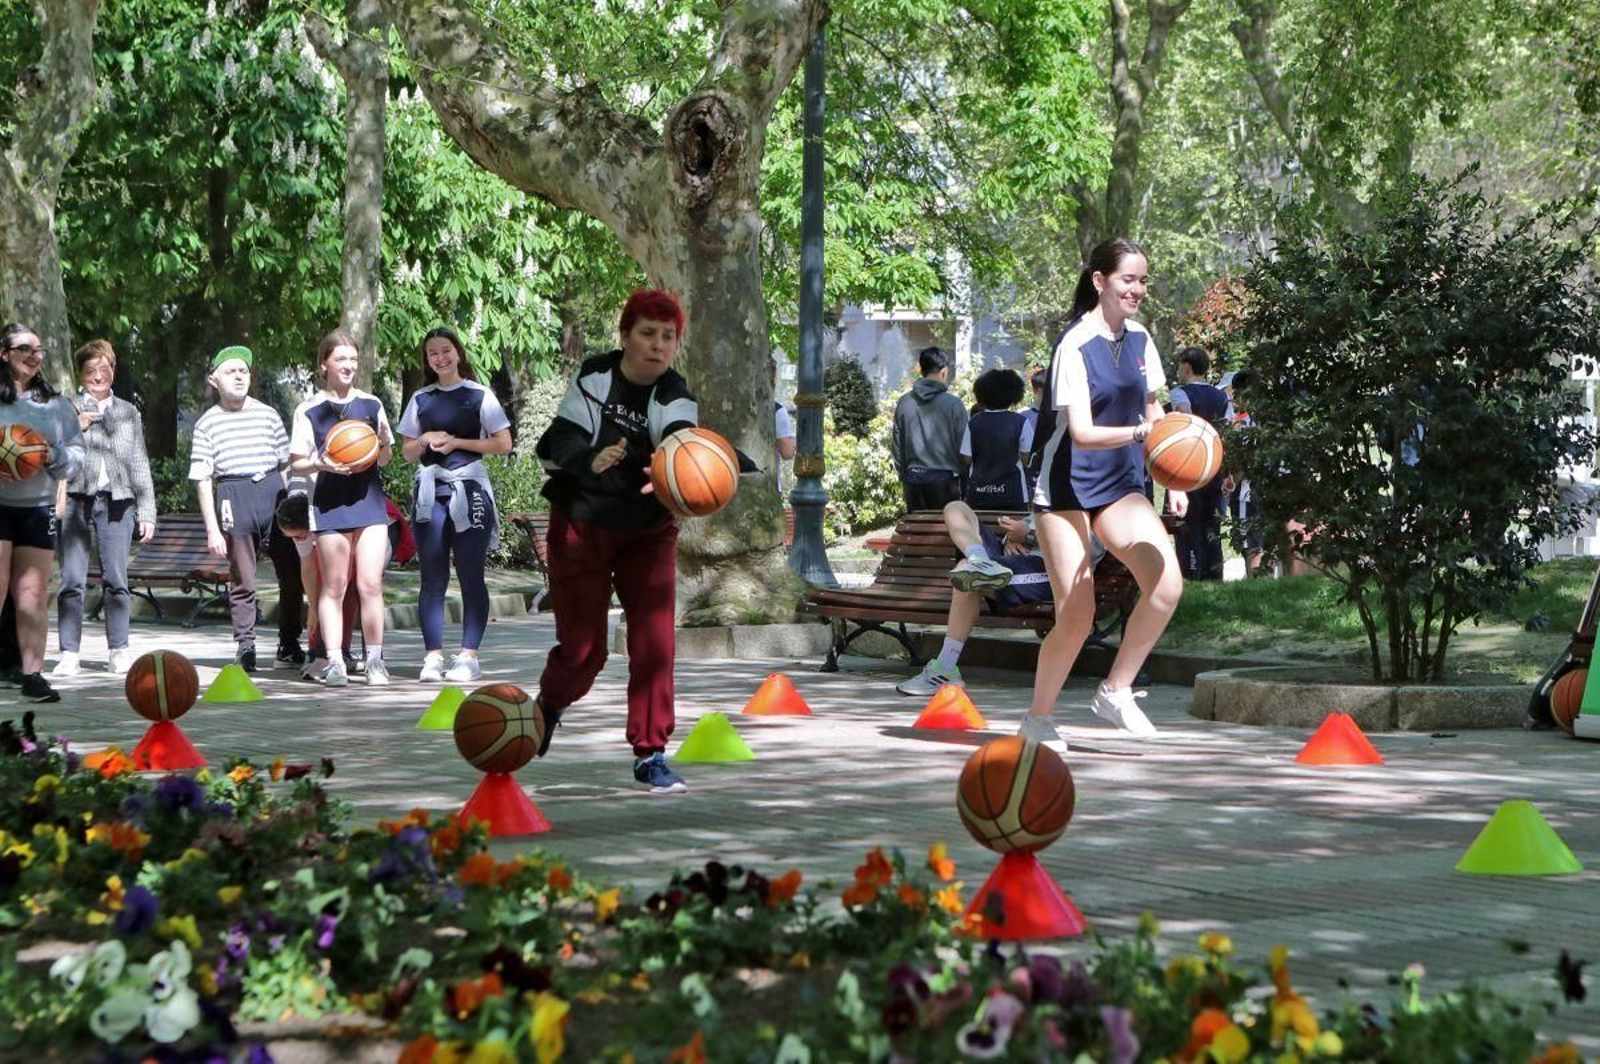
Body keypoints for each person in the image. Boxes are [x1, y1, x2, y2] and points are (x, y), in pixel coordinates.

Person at [533, 288, 699, 794]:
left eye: (668, 336)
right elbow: (556, 443)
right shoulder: (596, 376)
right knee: (584, 651)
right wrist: (591, 458)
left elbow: (680, 436)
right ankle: (550, 703)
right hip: (581, 522)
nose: (658, 345)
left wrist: (677, 464)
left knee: (655, 643)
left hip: (647, 530)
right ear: (626, 336)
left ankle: (651, 752)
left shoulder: (675, 393)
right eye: (648, 333)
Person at [1023, 237, 1187, 745]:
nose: (1137, 289)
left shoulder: (1140, 338)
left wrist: (1174, 475)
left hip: (1119, 482)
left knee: (1166, 583)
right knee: (1077, 617)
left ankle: (1116, 691)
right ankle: (1037, 719)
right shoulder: (1074, 344)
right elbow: (1082, 433)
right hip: (1064, 486)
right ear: (1100, 281)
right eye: (1127, 279)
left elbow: (1154, 409)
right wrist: (1141, 433)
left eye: (1143, 281)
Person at [398, 327, 513, 684]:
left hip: (470, 488)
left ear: (458, 352)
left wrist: (458, 443)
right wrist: (424, 439)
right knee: (432, 576)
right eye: (433, 353)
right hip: (430, 492)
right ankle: (432, 656)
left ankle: (468, 656)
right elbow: (407, 451)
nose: (440, 358)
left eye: (445, 350)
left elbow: (503, 443)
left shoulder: (479, 394)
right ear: (427, 359)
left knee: (470, 573)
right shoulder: (421, 398)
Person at [289, 329, 395, 687]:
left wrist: (383, 445)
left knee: (370, 584)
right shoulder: (308, 410)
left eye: (353, 359)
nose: (349, 365)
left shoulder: (372, 404)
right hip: (330, 503)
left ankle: (375, 661)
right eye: (341, 359)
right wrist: (320, 464)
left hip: (369, 501)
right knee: (334, 586)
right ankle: (334, 661)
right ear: (325, 364)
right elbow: (297, 463)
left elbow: (384, 458)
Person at [190, 345, 305, 673]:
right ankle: (246, 644)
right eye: (231, 371)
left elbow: (285, 465)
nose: (239, 377)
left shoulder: (268, 414)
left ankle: (289, 643)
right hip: (233, 494)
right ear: (214, 380)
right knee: (243, 577)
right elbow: (202, 479)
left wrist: (292, 506)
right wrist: (212, 529)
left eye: (243, 371)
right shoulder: (207, 423)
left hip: (272, 491)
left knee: (292, 573)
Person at [53, 341, 157, 676]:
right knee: (72, 579)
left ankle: (119, 650)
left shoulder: (128, 412)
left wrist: (147, 511)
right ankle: (69, 653)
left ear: (113, 369)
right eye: (90, 370)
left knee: (116, 579)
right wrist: (76, 427)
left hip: (117, 503)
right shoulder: (66, 407)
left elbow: (139, 462)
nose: (98, 376)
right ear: (80, 373)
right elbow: (51, 455)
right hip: (76, 501)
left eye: (104, 368)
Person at [0, 324, 85, 702]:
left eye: (39, 350)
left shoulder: (56, 405)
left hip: (37, 507)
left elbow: (77, 457)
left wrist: (51, 455)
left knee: (32, 594)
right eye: (25, 349)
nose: (34, 356)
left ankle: (32, 675)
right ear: (4, 354)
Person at [896, 501, 1057, 695]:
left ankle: (945, 668)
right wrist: (1012, 538)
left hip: (1048, 567)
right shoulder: (1052, 487)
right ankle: (979, 560)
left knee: (967, 574)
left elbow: (1082, 544)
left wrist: (1030, 535)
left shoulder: (1085, 491)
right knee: (956, 508)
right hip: (1015, 556)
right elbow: (1032, 526)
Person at [274, 492, 355, 681]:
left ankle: (348, 653)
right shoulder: (303, 534)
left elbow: (341, 578)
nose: (297, 540)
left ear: (308, 524)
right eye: (292, 537)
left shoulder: (328, 523)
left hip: (364, 536)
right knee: (324, 598)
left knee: (346, 591)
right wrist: (312, 606)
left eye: (299, 536)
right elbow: (308, 568)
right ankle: (321, 653)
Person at [1166, 346, 1229, 582]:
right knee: (1212, 524)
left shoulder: (1179, 393)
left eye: (1179, 365)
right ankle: (1215, 575)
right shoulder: (1221, 396)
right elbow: (1227, 430)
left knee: (1187, 524)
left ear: (1186, 366)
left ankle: (1191, 573)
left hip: (1189, 466)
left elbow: (1185, 416)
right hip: (1215, 466)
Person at [891, 346, 967, 511]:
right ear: (944, 371)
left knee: (917, 527)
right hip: (945, 482)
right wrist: (965, 482)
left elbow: (897, 447)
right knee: (945, 527)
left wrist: (904, 479)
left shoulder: (904, 402)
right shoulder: (954, 404)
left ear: (922, 370)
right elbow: (963, 448)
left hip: (913, 480)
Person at [961, 368, 1033, 511]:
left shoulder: (974, 422)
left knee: (979, 525)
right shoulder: (1020, 421)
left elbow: (967, 458)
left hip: (979, 492)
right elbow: (1027, 458)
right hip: (1013, 492)